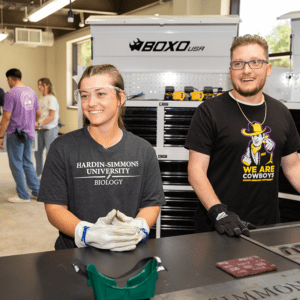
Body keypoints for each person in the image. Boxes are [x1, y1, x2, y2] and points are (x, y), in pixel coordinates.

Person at [37, 64, 166, 251]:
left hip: (128, 251)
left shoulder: (143, 150)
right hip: (73, 254)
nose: (91, 103)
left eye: (101, 94)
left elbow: (152, 203)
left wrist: (138, 228)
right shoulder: (62, 148)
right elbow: (54, 208)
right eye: (84, 95)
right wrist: (86, 233)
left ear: (120, 98)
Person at [185, 34, 300, 237]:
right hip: (218, 228)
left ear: (268, 68)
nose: (246, 70)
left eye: (255, 62)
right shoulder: (209, 111)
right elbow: (196, 170)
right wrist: (219, 212)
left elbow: (293, 166)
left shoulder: (281, 112)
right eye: (239, 63)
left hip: (267, 228)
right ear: (231, 71)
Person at [0, 68, 41, 203]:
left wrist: (0, 136)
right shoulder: (31, 92)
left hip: (15, 134)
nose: (8, 82)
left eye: (8, 80)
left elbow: (6, 117)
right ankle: (37, 191)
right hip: (29, 133)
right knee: (27, 162)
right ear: (21, 78)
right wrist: (30, 122)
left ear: (10, 79)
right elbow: (38, 113)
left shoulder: (10, 94)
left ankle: (23, 195)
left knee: (16, 163)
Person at [35, 78, 59, 180]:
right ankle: (38, 174)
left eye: (41, 85)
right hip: (40, 128)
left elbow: (51, 117)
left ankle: (50, 176)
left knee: (50, 153)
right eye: (38, 85)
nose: (39, 87)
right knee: (37, 152)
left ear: (47, 85)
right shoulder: (40, 98)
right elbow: (39, 114)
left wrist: (39, 122)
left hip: (50, 128)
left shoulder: (51, 98)